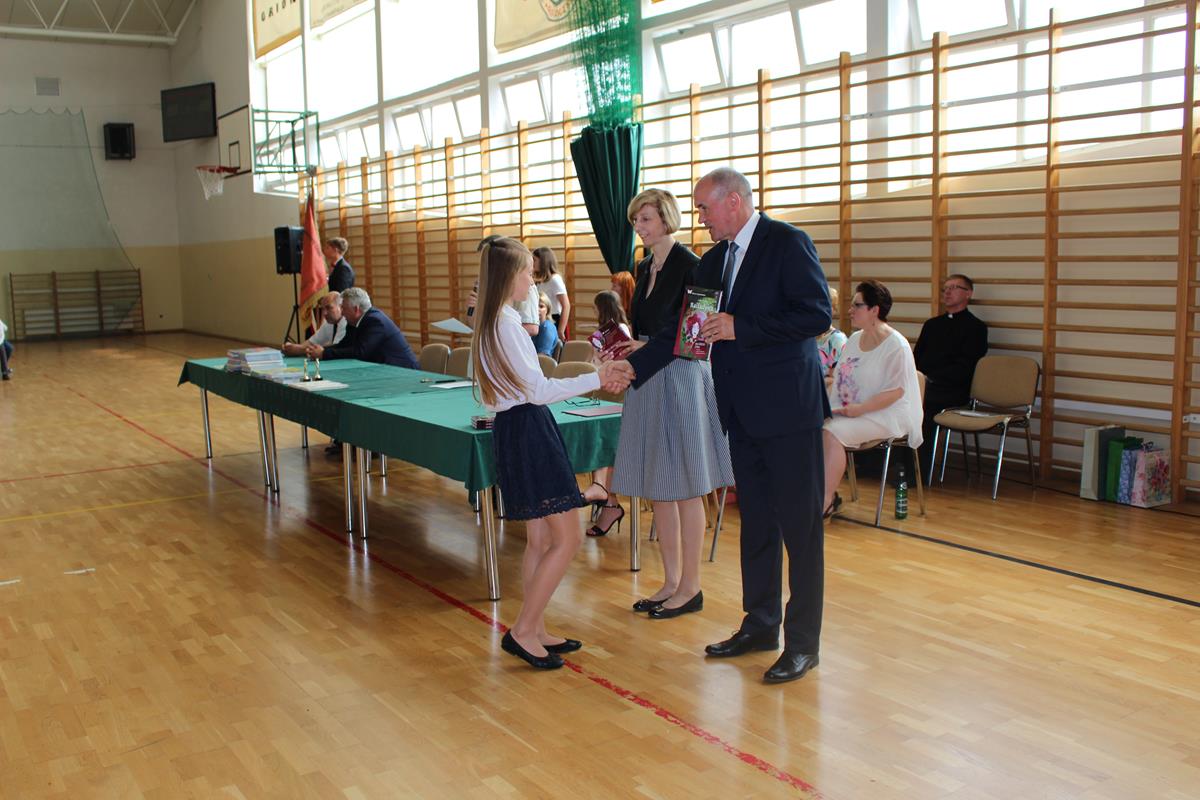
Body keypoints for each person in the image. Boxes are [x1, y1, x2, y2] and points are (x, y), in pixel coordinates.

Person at [621, 168, 832, 684]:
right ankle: (760, 624)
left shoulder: (787, 243)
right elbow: (686, 331)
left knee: (800, 530)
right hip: (739, 409)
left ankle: (803, 643)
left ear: (733, 201)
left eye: (704, 208)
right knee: (756, 523)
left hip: (789, 410)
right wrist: (633, 364)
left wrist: (743, 327)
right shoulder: (715, 260)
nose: (700, 218)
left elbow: (816, 315)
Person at [471, 237, 630, 669]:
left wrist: (595, 374)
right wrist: (597, 376)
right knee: (569, 537)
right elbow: (538, 390)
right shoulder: (505, 326)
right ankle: (524, 630)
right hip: (528, 429)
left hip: (519, 427)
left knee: (541, 540)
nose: (532, 280)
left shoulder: (497, 321)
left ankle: (536, 627)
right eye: (526, 272)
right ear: (509, 276)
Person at [605, 188, 734, 618]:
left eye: (645, 219)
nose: (638, 227)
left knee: (686, 488)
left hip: (681, 378)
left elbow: (695, 337)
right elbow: (646, 327)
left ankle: (691, 587)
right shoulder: (644, 267)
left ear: (666, 219)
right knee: (660, 486)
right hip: (648, 377)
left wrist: (639, 353)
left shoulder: (694, 265)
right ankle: (671, 581)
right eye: (635, 220)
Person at [821, 280, 924, 517]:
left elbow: (896, 391)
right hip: (855, 410)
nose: (850, 310)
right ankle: (818, 494)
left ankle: (825, 501)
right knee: (809, 427)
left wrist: (860, 409)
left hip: (887, 413)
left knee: (831, 432)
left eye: (857, 305)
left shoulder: (896, 345)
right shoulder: (855, 339)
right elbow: (842, 378)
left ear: (874, 310)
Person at [913, 274, 988, 467]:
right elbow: (916, 358)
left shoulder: (976, 328)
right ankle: (879, 464)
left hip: (951, 390)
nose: (947, 292)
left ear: (968, 293)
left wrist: (931, 379)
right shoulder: (932, 325)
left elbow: (966, 367)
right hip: (924, 385)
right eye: (945, 288)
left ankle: (918, 470)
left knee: (924, 405)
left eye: (954, 287)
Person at [306, 287, 417, 369]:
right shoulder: (354, 322)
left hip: (404, 371)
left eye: (344, 308)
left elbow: (360, 352)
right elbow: (344, 345)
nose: (342, 313)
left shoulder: (375, 321)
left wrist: (324, 354)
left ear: (356, 309)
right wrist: (320, 350)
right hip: (383, 369)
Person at [282, 292, 348, 356]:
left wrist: (300, 349)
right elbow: (312, 342)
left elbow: (336, 347)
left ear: (341, 307)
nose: (324, 313)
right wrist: (292, 348)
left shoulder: (346, 321)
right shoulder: (330, 323)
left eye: (328, 308)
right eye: (323, 309)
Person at [532, 247, 571, 340]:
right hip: (543, 318)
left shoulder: (555, 279)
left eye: (534, 260)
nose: (532, 262)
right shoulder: (539, 280)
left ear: (543, 262)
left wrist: (560, 330)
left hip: (554, 320)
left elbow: (566, 305)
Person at [818, 286, 848, 390]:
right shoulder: (803, 335)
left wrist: (812, 381)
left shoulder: (837, 339)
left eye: (825, 305)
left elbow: (839, 379)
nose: (820, 309)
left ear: (834, 310)